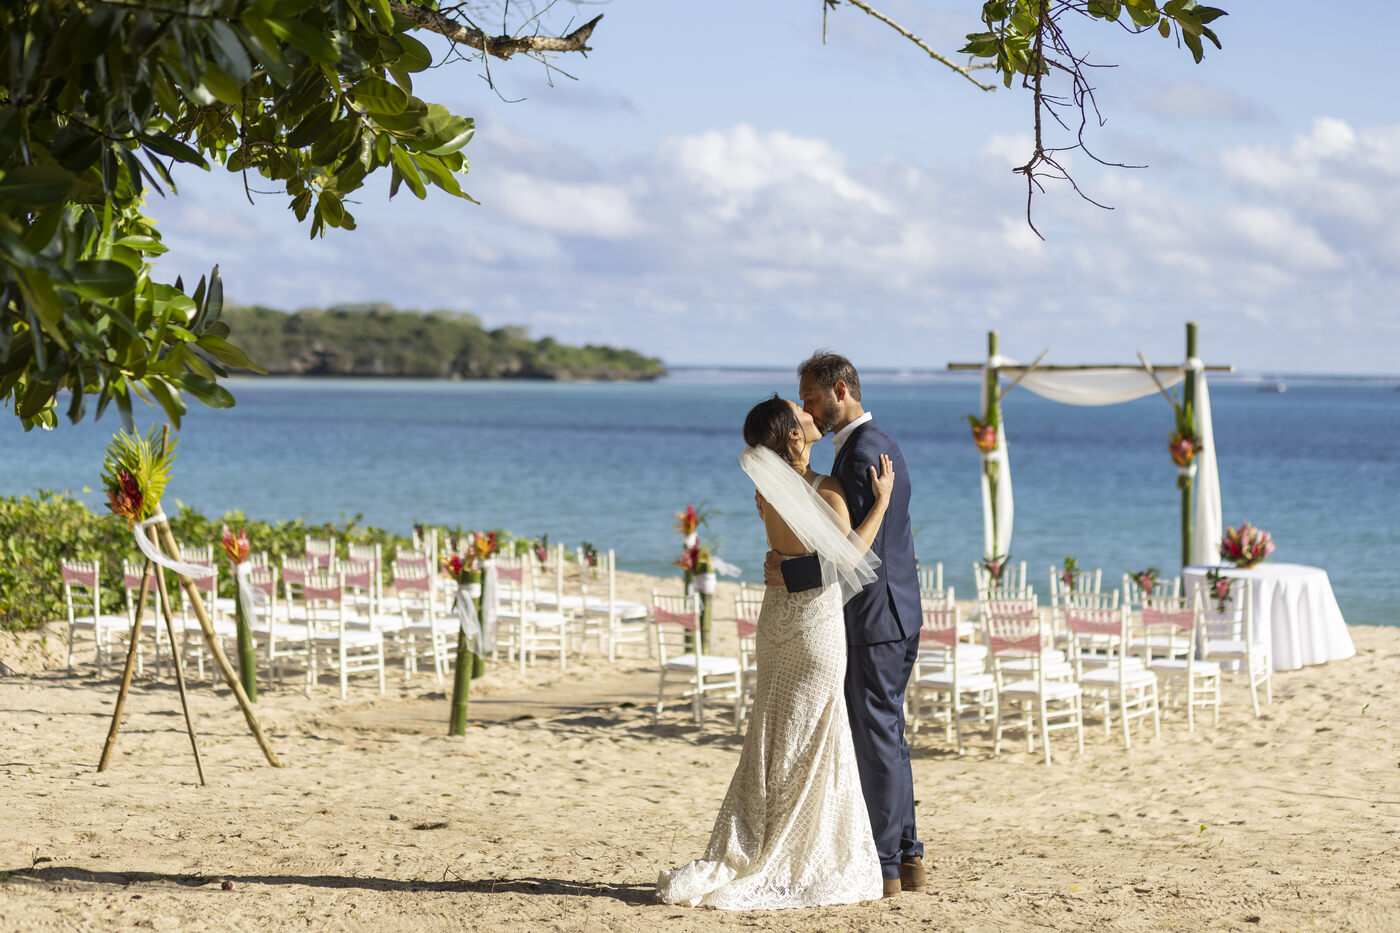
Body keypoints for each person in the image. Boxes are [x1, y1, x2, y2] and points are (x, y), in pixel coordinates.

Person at [656, 395, 895, 909]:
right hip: (814, 626)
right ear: (792, 435)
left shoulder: (765, 488)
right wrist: (881, 502)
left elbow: (790, 554)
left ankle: (761, 840)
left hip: (776, 620)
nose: (812, 417)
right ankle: (795, 850)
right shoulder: (826, 489)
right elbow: (851, 556)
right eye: (802, 414)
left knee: (775, 733)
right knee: (815, 737)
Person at [765, 351, 925, 898]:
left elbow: (854, 554)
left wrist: (790, 569)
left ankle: (884, 864)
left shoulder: (859, 456)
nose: (806, 408)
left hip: (874, 619)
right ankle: (908, 855)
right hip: (901, 612)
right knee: (890, 735)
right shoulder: (881, 442)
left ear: (839, 390)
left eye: (810, 397)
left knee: (876, 737)